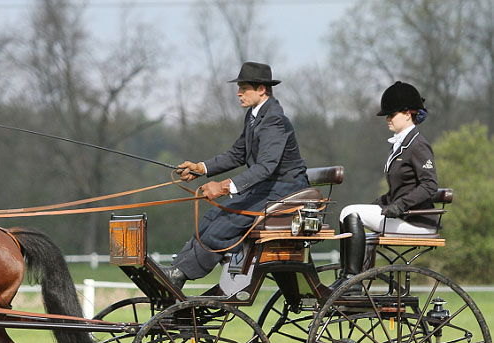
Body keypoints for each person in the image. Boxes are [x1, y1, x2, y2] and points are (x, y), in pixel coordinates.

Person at [164, 61, 309, 288]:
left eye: (244, 88)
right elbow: (237, 154)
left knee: (224, 224)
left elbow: (265, 167)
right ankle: (176, 269)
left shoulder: (274, 120)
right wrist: (201, 168)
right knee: (211, 218)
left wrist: (222, 186)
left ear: (262, 89)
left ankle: (182, 274)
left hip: (285, 188)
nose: (238, 93)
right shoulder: (254, 116)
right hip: (267, 186)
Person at [329, 81, 438, 291]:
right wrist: (381, 203)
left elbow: (429, 185)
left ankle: (352, 281)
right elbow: (401, 189)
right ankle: (347, 276)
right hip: (403, 216)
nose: (387, 118)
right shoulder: (400, 145)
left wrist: (400, 205)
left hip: (415, 220)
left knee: (350, 212)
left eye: (391, 114)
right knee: (349, 212)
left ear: (408, 114)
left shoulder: (418, 145)